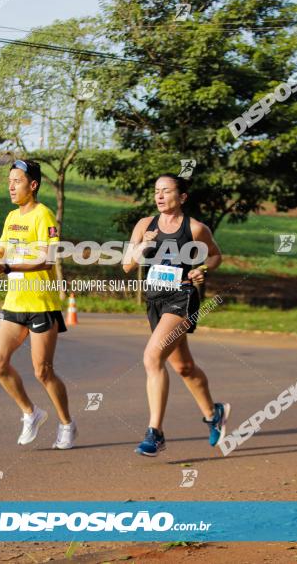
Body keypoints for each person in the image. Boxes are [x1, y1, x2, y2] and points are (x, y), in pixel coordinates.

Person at [0, 159, 76, 450]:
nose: (11, 186)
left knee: (43, 371)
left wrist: (5, 268)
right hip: (14, 303)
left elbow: (47, 259)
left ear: (33, 185)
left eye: (17, 181)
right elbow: (0, 259)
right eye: (9, 181)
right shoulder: (10, 217)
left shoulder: (44, 216)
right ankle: (31, 413)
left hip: (42, 304)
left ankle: (67, 424)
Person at [123, 174, 229, 456]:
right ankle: (213, 413)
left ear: (182, 197)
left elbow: (216, 256)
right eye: (156, 190)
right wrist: (142, 246)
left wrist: (202, 269)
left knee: (152, 357)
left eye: (166, 191)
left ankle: (155, 433)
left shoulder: (195, 229)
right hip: (155, 300)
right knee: (183, 367)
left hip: (182, 299)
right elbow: (125, 266)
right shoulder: (145, 225)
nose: (159, 196)